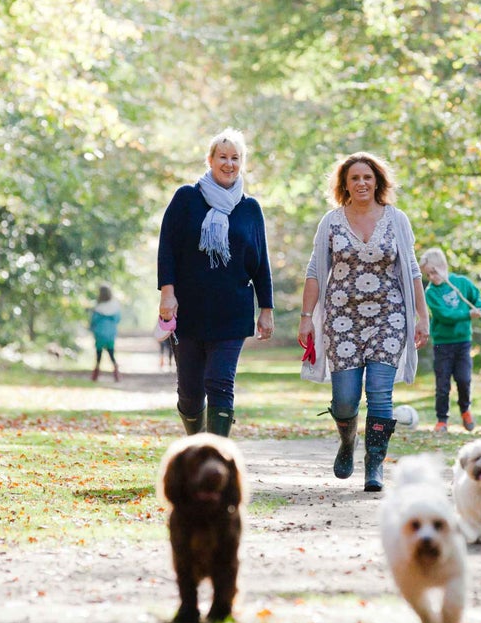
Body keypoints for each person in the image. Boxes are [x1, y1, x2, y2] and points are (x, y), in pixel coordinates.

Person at [298, 152, 429, 492]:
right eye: (354, 178)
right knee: (344, 398)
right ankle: (347, 438)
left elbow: (412, 269)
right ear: (344, 184)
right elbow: (315, 271)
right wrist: (305, 318)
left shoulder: (397, 219)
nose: (361, 183)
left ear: (378, 182)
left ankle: (374, 466)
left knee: (380, 394)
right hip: (341, 318)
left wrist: (421, 316)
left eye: (367, 177)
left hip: (390, 315)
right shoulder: (331, 222)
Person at [157, 128, 275, 438]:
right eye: (222, 156)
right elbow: (167, 247)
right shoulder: (187, 198)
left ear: (242, 163)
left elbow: (261, 261)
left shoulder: (249, 208)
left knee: (221, 382)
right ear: (210, 160)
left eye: (235, 158)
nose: (229, 163)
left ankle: (216, 455)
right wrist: (167, 293)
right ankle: (195, 445)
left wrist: (266, 307)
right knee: (191, 393)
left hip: (233, 310)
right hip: (190, 309)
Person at [418, 248, 481, 433]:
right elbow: (445, 315)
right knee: (442, 383)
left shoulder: (461, 283)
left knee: (464, 379)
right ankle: (442, 420)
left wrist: (479, 310)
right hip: (443, 344)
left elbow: (477, 300)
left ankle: (465, 410)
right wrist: (467, 314)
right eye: (428, 274)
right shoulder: (431, 293)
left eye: (434, 272)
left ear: (443, 266)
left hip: (463, 342)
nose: (431, 277)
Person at [90, 284, 122, 382]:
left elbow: (93, 321)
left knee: (99, 354)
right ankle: (116, 373)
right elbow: (118, 319)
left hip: (99, 333)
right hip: (110, 333)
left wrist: (92, 329)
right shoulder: (115, 306)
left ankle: (95, 375)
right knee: (111, 353)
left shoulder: (98, 307)